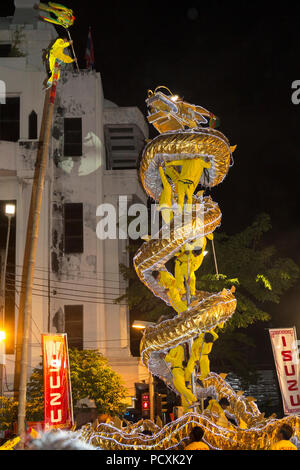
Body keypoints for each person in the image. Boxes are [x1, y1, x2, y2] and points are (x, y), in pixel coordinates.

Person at [163, 344, 199, 412]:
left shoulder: (176, 348)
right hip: (179, 370)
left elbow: (173, 359)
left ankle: (194, 399)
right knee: (181, 390)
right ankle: (189, 406)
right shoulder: (180, 348)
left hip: (177, 371)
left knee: (181, 388)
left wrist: (165, 356)